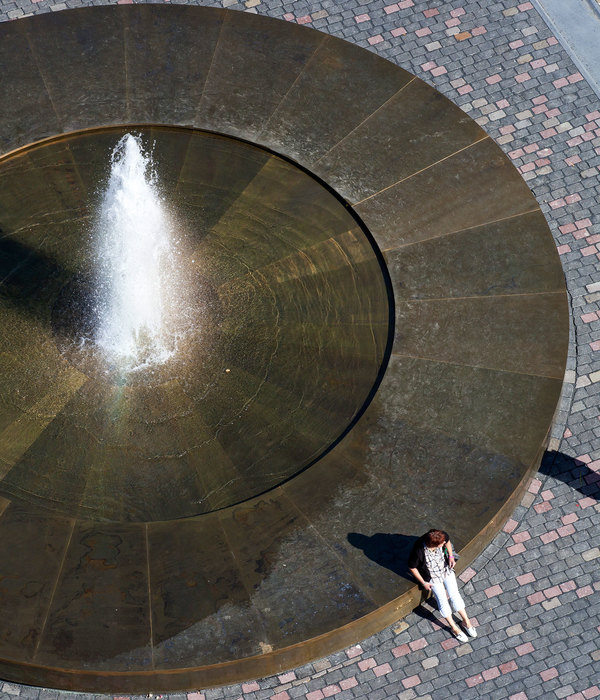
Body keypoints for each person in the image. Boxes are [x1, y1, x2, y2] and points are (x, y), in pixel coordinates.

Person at [408, 529, 477, 642]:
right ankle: (454, 628)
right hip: (432, 577)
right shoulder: (419, 551)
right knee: (442, 600)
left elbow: (448, 541)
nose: (444, 543)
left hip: (446, 570)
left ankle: (466, 622)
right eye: (442, 544)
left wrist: (450, 556)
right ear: (433, 545)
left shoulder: (441, 536)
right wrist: (424, 582)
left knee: (455, 595)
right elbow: (412, 567)